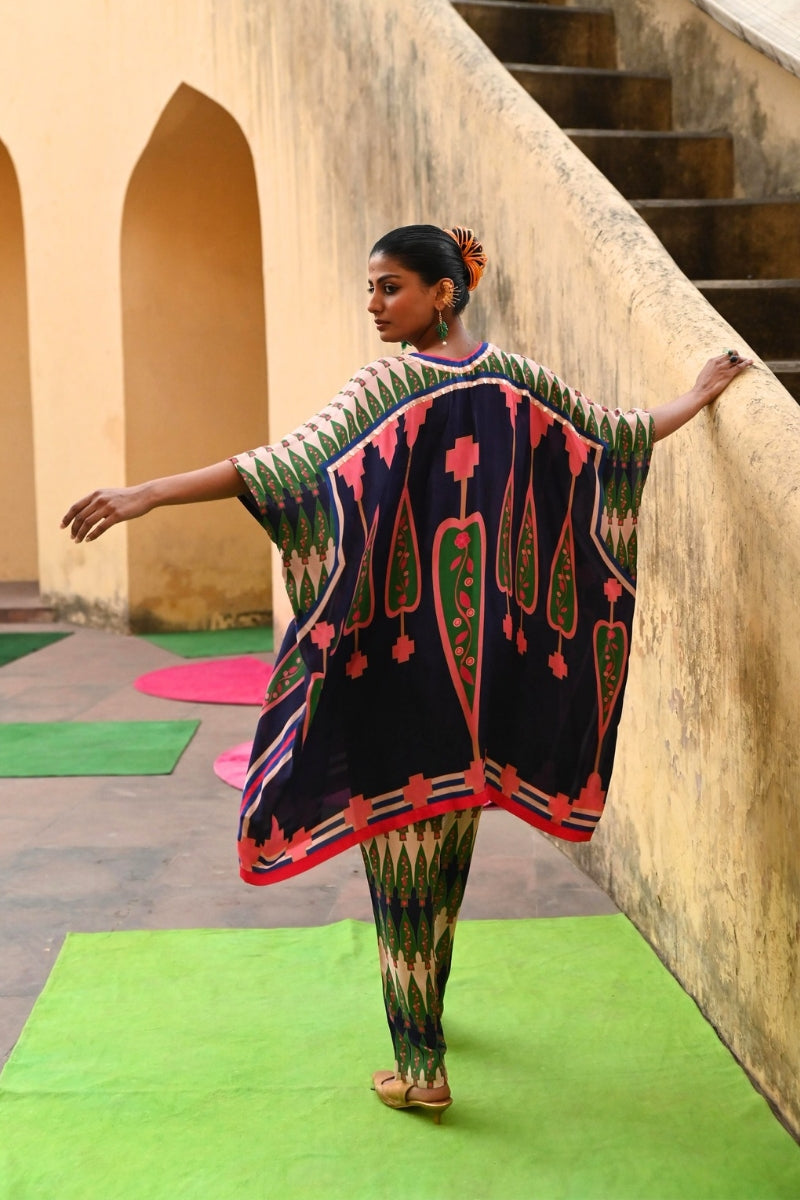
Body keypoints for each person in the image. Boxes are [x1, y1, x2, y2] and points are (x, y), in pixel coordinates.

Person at [62, 223, 751, 1123]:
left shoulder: (389, 386)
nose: (375, 304)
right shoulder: (517, 380)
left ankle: (420, 1067)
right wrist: (695, 398)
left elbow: (275, 469)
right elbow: (615, 441)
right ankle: (427, 1010)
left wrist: (146, 492)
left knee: (401, 877)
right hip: (480, 684)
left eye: (391, 287)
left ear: (444, 293)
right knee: (444, 853)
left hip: (399, 672)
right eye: (372, 288)